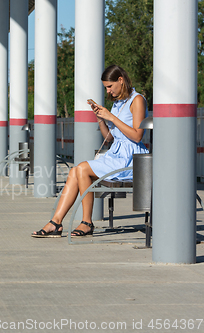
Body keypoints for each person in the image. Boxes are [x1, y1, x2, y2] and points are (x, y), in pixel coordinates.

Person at [32, 64, 149, 238]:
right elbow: (109, 138)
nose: (108, 91)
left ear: (121, 80)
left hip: (131, 158)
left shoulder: (137, 100)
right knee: (75, 171)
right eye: (106, 88)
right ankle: (56, 222)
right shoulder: (118, 103)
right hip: (115, 154)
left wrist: (111, 117)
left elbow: (138, 135)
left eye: (110, 86)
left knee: (82, 168)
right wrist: (101, 118)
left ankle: (86, 222)